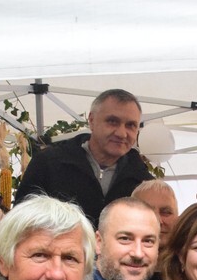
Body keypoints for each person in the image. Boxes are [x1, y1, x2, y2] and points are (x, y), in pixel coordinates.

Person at [15, 89, 152, 225]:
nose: (122, 133)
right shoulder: (48, 164)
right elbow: (21, 223)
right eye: (112, 121)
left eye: (130, 125)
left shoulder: (143, 181)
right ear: (91, 121)